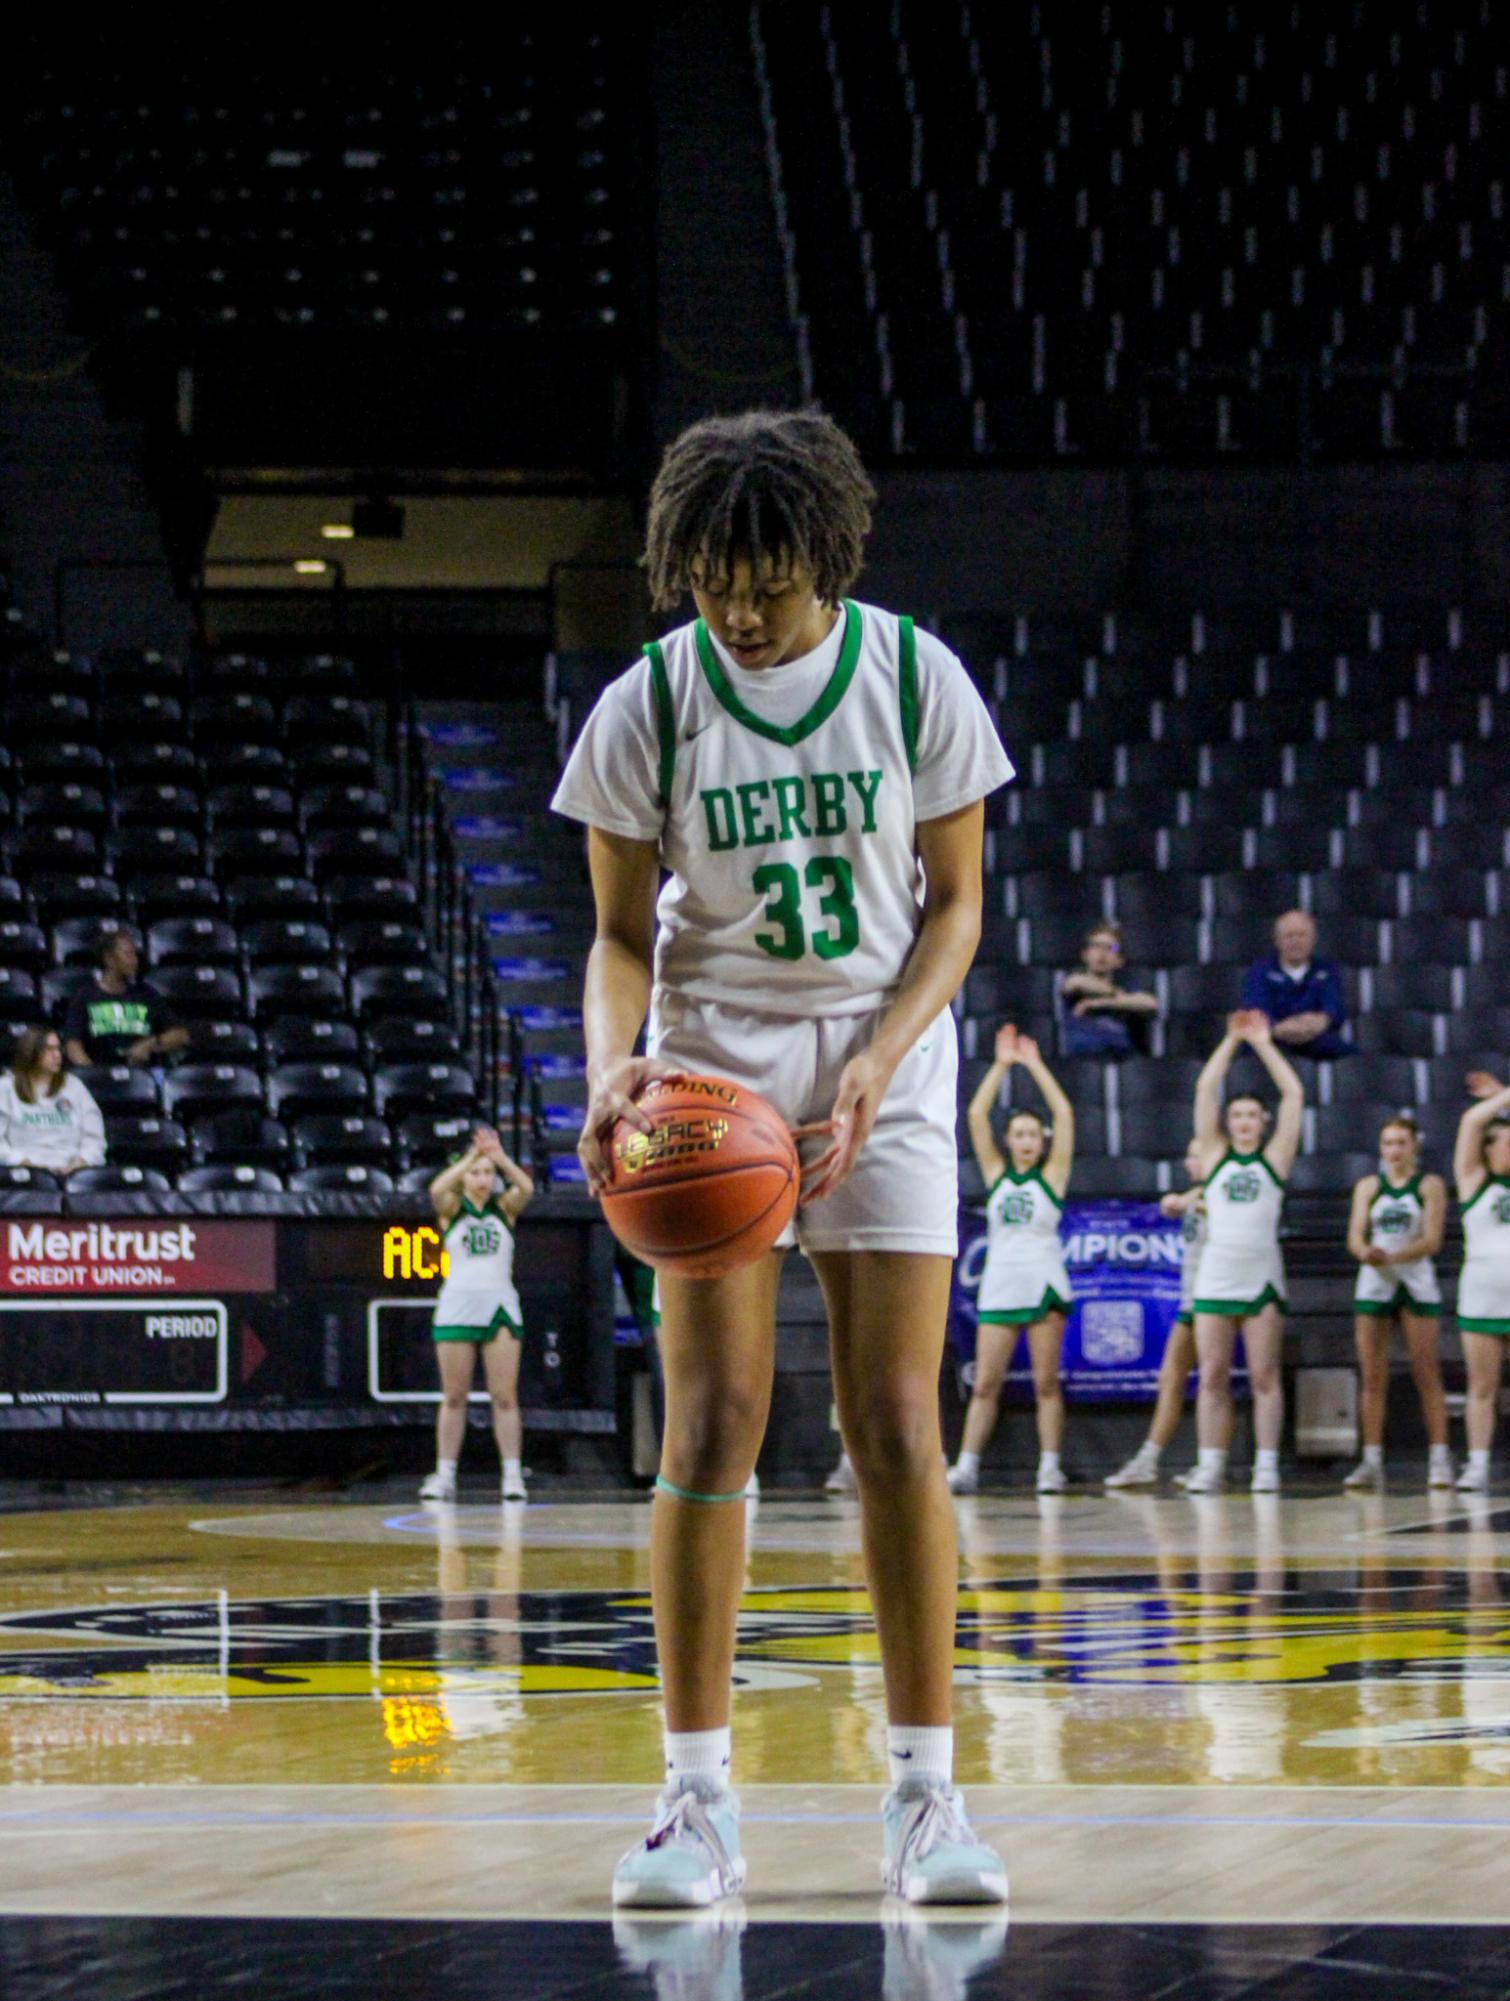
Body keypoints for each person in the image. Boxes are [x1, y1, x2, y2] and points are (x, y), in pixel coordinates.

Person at [552, 408, 1012, 1909]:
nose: (742, 613)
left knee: (892, 1420)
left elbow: (954, 907)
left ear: (828, 557)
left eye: (768, 581)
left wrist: (883, 1057)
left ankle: (926, 1798)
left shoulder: (909, 675)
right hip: (709, 1065)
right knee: (710, 1424)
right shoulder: (649, 703)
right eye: (713, 582)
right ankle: (693, 1803)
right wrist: (614, 1064)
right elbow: (621, 935)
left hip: (884, 1051)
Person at [948, 1024, 1074, 1494]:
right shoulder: (997, 1174)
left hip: (1043, 1281)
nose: (1025, 1141)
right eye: (1017, 1134)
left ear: (1040, 1142)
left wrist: (1035, 1065)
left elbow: (1063, 1112)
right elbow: (977, 1114)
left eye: (1031, 1135)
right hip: (1000, 1284)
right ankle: (967, 1466)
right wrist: (1001, 1065)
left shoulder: (1053, 1176)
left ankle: (1049, 1467)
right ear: (1009, 1140)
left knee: (1045, 1383)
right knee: (985, 1384)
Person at [1185, 1010, 1304, 1494]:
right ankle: (1210, 1465)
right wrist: (1231, 1041)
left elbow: (1294, 1094)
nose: (1244, 1122)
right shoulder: (1213, 1156)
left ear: (1263, 1122)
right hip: (1215, 1274)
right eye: (1237, 1115)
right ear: (1228, 1122)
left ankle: (1266, 1465)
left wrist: (1264, 1043)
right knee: (1211, 1374)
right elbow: (1203, 1091)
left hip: (1260, 1275)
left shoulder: (1274, 1159)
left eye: (1253, 1115)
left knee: (1263, 1374)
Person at [1104, 1136, 1231, 1489]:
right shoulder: (1199, 1196)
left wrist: (1187, 1199)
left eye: (1197, 1156)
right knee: (1173, 1378)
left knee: (1212, 1380)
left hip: (1217, 1295)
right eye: (1189, 1157)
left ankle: (1205, 1461)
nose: (1190, 1163)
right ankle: (1152, 1459)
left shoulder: (1225, 1195)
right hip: (1192, 1297)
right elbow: (1169, 1207)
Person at [418, 1127, 535, 1505]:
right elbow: (436, 1190)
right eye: (476, 1173)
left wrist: (498, 1157)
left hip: (500, 1304)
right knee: (454, 1396)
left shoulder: (504, 1209)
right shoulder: (452, 1209)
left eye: (487, 1174)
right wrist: (471, 1157)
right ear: (465, 1175)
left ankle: (512, 1474)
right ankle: (445, 1475)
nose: (483, 1179)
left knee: (504, 1395)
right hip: (458, 1305)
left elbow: (527, 1188)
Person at [1342, 1114, 1452, 1493]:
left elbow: (1432, 1240)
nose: (1394, 1151)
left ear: (1414, 1146)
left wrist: (1394, 1255)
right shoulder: (1369, 1186)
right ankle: (1371, 1459)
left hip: (1415, 1280)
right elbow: (1355, 1236)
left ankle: (1439, 1459)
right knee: (1372, 1375)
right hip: (1375, 1281)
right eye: (1388, 1143)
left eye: (1400, 1143)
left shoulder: (1430, 1185)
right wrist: (1365, 1252)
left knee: (1426, 1371)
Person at [1453, 1072, 1510, 1494]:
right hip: (1482, 1297)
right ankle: (1476, 1464)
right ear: (1489, 1150)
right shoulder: (1473, 1181)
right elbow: (1472, 1122)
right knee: (1482, 1386)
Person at [63, 929, 188, 1070]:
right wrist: (93, 1074)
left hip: (140, 1076)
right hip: (99, 1075)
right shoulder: (84, 997)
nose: (135, 960)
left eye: (135, 954)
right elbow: (73, 1046)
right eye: (129, 955)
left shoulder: (147, 994)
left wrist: (149, 1044)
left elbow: (180, 1035)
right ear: (109, 959)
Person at [1240, 908, 1351, 1059]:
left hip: (1316, 1039)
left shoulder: (1328, 970)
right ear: (1277, 940)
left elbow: (1333, 1008)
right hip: (1272, 1041)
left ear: (1313, 938)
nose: (1296, 941)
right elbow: (1257, 1009)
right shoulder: (1259, 971)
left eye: (1302, 935)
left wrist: (1319, 1022)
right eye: (1289, 935)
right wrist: (1279, 1029)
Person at [0, 1026, 106, 1176]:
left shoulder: (74, 1085)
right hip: (24, 1175)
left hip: (72, 1174)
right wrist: (24, 1164)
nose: (57, 1055)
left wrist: (79, 1163)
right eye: (49, 1049)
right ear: (30, 1052)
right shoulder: (5, 1087)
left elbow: (95, 1138)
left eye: (58, 1049)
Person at [1057, 921, 1158, 1058]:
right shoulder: (1075, 983)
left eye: (1111, 948)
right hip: (1081, 1064)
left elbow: (1151, 1003)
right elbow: (1075, 983)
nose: (1102, 953)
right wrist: (1116, 995)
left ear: (1119, 960)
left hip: (1122, 1061)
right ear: (1084, 954)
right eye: (1096, 946)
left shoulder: (1127, 990)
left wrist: (1099, 1004)